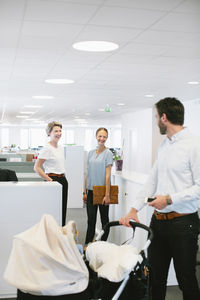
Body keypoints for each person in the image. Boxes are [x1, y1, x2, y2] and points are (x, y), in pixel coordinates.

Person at [120, 97, 200, 300]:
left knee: (186, 280)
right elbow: (151, 182)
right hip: (159, 223)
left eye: (157, 116)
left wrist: (170, 199)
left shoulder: (194, 145)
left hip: (184, 224)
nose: (156, 121)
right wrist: (134, 209)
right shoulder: (164, 146)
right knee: (155, 278)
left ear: (164, 117)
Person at [83, 128, 113, 250]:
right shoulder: (90, 153)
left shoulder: (108, 153)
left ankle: (103, 245)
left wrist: (107, 194)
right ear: (96, 137)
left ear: (107, 138)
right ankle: (87, 245)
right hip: (90, 190)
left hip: (102, 191)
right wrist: (84, 191)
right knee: (91, 220)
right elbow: (87, 173)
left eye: (104, 136)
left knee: (104, 220)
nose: (102, 139)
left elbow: (107, 175)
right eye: (100, 136)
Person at [34, 121, 68, 226]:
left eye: (60, 131)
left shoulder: (61, 148)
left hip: (63, 179)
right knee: (52, 211)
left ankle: (60, 234)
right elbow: (37, 167)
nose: (58, 133)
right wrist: (50, 180)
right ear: (49, 133)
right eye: (55, 131)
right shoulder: (47, 148)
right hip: (52, 180)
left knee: (62, 209)